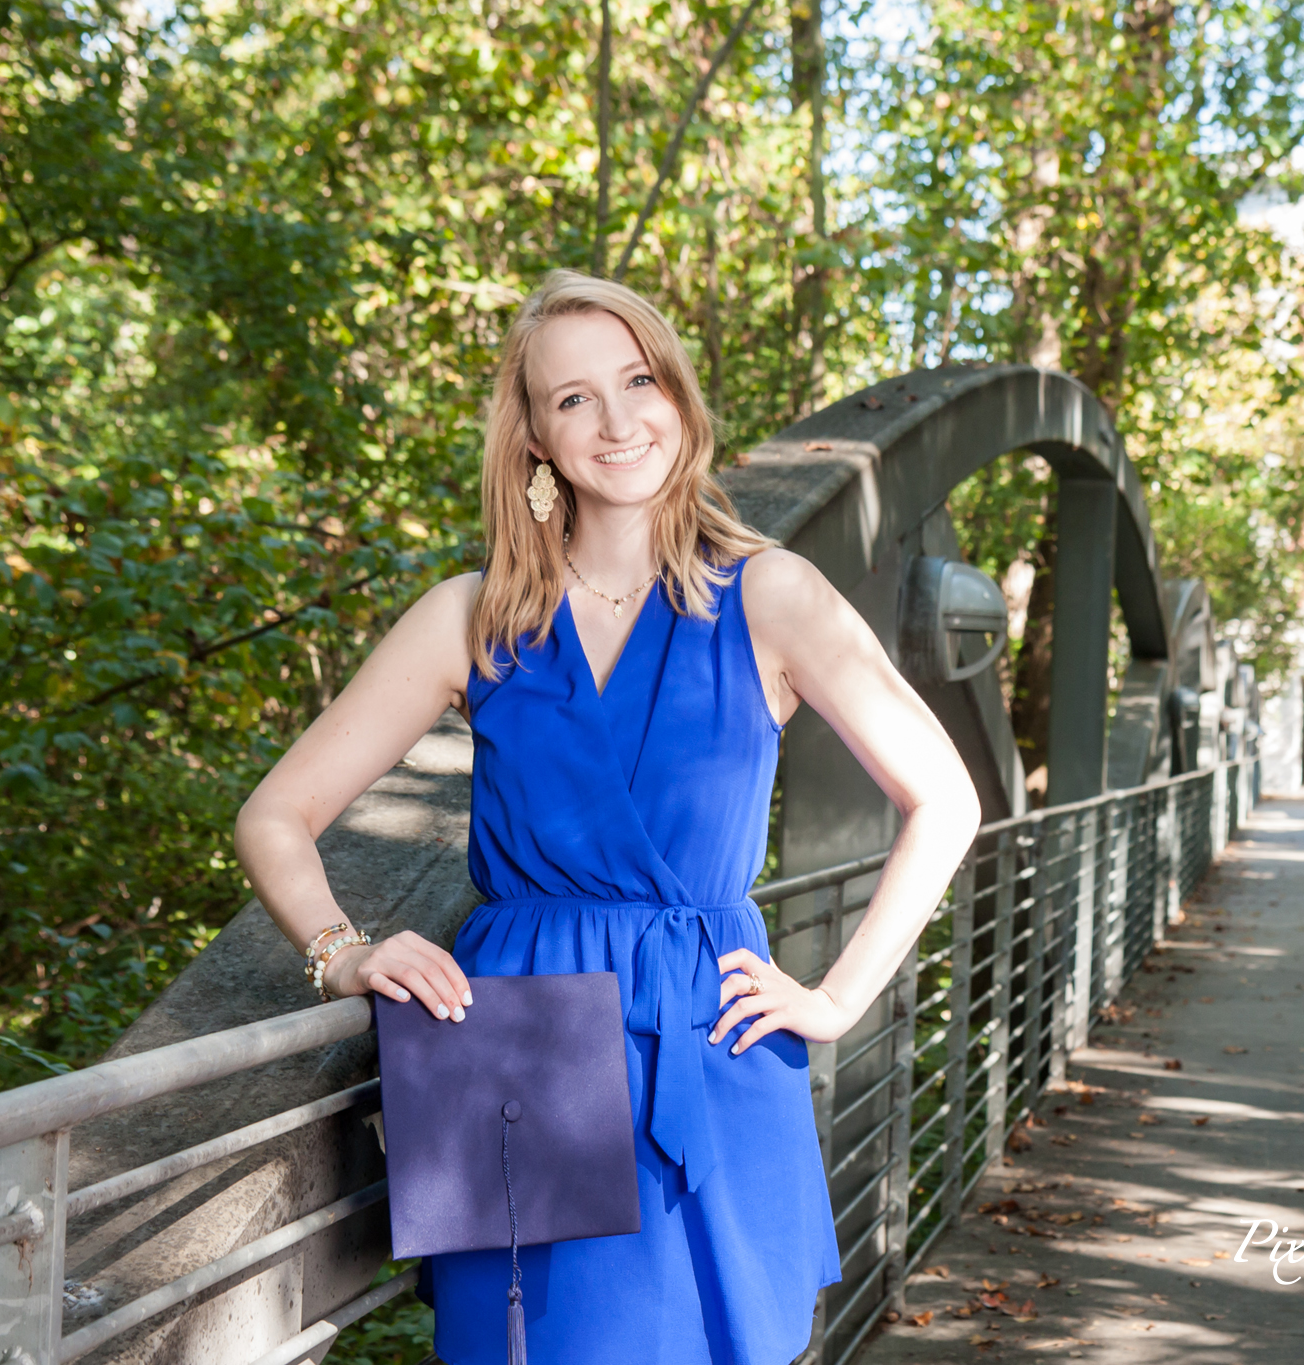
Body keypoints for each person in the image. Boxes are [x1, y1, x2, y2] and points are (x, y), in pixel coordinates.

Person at [234, 270, 980, 1365]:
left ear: (678, 397)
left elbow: (946, 798)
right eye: (573, 397)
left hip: (711, 1038)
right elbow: (275, 816)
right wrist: (344, 952)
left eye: (638, 380)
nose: (618, 419)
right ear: (533, 435)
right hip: (522, 1062)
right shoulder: (473, 617)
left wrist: (833, 999)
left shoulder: (770, 596)